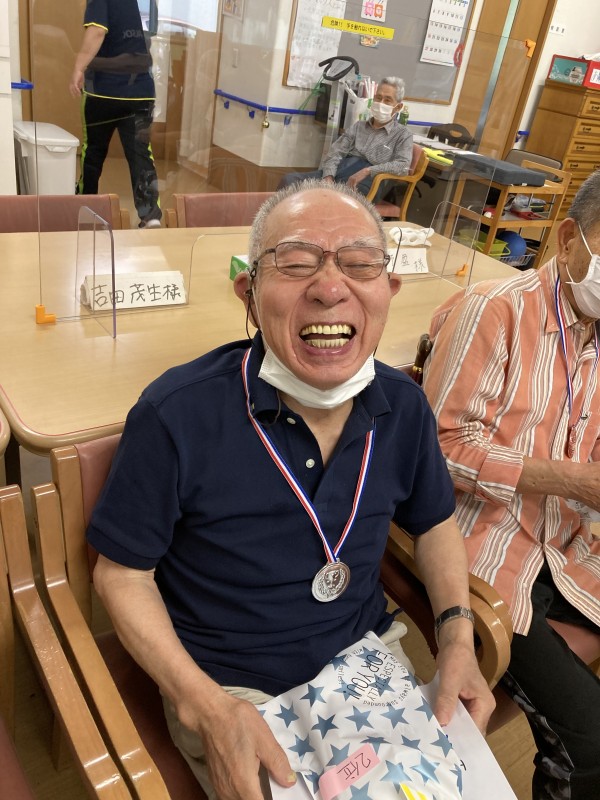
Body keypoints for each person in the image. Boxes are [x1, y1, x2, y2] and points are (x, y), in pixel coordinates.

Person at [87, 179, 494, 800]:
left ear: (389, 290)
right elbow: (121, 574)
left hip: (366, 660)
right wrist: (204, 706)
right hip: (229, 687)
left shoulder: (404, 406)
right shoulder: (176, 414)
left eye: (359, 263)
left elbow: (434, 522)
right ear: (249, 294)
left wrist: (458, 635)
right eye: (296, 263)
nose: (330, 288)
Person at [422, 171, 600, 800]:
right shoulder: (495, 310)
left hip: (572, 542)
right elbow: (436, 448)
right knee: (592, 743)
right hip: (489, 551)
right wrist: (564, 477)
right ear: (569, 238)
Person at [69, 0, 162, 228]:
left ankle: (86, 208)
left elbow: (97, 30)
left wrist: (78, 67)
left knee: (93, 152)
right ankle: (150, 215)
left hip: (103, 91)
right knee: (140, 154)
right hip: (140, 90)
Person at [278, 77, 413, 199]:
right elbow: (336, 151)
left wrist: (368, 171)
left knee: (339, 199)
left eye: (387, 100)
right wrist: (328, 176)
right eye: (378, 98)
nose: (381, 103)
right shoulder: (359, 126)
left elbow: (403, 166)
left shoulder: (403, 134)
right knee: (289, 181)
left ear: (398, 107)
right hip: (342, 170)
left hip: (368, 181)